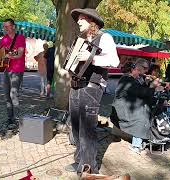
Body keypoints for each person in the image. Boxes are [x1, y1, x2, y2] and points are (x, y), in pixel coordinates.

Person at [65, 8, 119, 174]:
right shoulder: (81, 40)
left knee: (87, 129)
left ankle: (89, 168)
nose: (78, 21)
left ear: (91, 21)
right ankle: (79, 161)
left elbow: (114, 62)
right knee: (75, 127)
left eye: (82, 19)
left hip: (92, 86)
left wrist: (89, 58)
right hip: (76, 85)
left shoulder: (105, 37)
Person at [110, 59, 165, 154]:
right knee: (142, 117)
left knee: (149, 109)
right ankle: (136, 145)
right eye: (138, 70)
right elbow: (139, 92)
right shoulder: (126, 79)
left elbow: (139, 91)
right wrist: (153, 87)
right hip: (123, 108)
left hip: (128, 105)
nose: (141, 73)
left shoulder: (133, 79)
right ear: (133, 70)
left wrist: (148, 84)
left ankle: (152, 136)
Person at [0, 18, 26, 130]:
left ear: (13, 26)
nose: (5, 29)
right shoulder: (4, 39)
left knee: (14, 94)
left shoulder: (20, 38)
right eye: (4, 27)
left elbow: (20, 54)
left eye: (7, 26)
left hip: (17, 69)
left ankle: (19, 120)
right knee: (6, 95)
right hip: (6, 69)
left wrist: (10, 56)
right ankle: (10, 118)